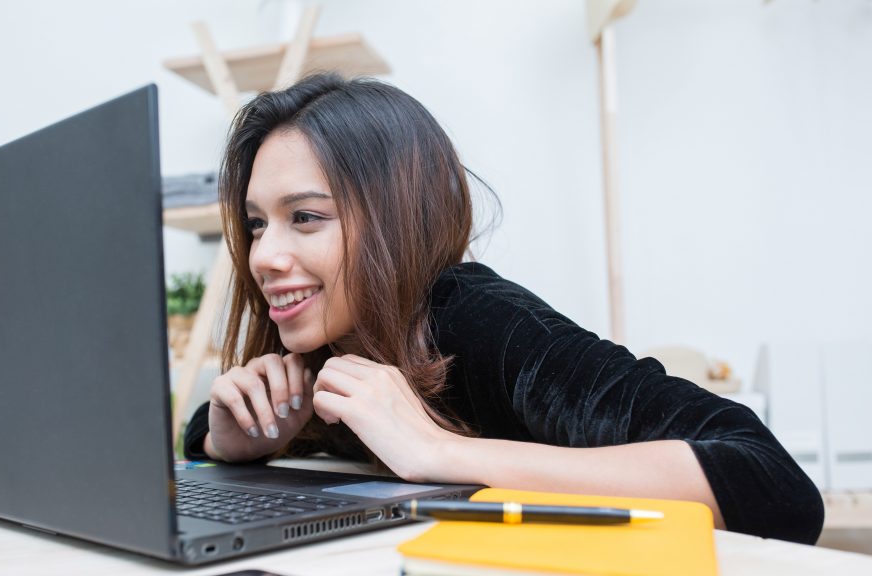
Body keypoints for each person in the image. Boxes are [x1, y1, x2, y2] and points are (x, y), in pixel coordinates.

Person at [182, 72, 824, 545]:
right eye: (258, 224)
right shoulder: (325, 343)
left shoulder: (475, 320)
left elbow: (773, 485)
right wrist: (225, 439)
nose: (264, 255)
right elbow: (209, 437)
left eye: (306, 218)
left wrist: (437, 451)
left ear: (396, 222)